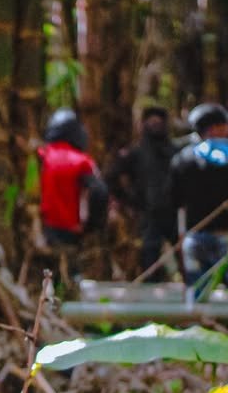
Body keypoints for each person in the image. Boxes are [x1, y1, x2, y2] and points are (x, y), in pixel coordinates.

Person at [168, 103, 228, 295]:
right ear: (214, 128)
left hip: (194, 236)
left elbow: (175, 201)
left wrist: (181, 235)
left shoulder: (181, 158)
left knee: (197, 292)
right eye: (225, 125)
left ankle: (200, 323)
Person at [36, 108, 108, 285]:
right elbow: (100, 193)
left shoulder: (42, 155)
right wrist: (92, 224)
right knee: (70, 279)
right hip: (72, 231)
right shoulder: (82, 161)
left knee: (50, 281)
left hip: (43, 232)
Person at [106, 105, 178, 280]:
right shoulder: (136, 152)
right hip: (149, 212)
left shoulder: (174, 151)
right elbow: (112, 177)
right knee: (149, 253)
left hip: (175, 212)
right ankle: (150, 288)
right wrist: (129, 201)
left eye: (158, 121)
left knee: (182, 250)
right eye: (151, 121)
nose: (155, 125)